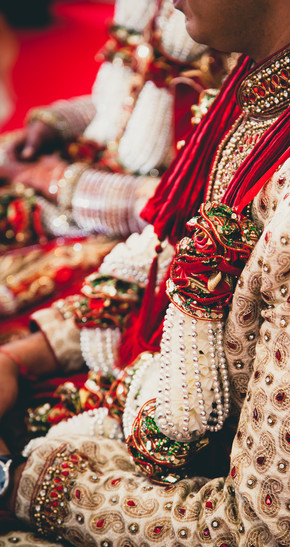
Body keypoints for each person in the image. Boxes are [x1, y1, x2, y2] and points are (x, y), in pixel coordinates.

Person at [0, 0, 290, 547]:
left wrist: (13, 481)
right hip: (159, 410)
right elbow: (175, 256)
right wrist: (24, 358)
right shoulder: (275, 67)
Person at [0, 0, 222, 318]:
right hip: (88, 175)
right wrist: (54, 123)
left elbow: (177, 206)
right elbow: (127, 101)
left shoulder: (226, 29)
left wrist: (53, 179)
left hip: (135, 226)